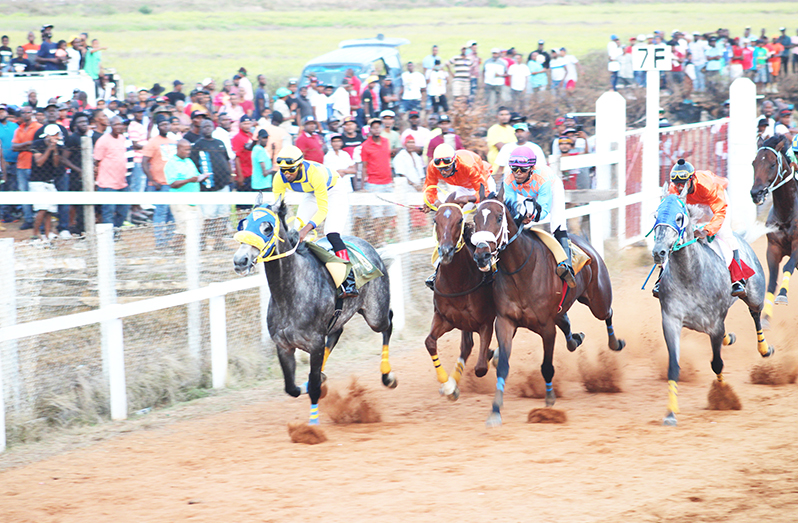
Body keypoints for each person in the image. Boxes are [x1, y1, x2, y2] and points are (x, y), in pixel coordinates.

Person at [653, 159, 752, 298]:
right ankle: (662, 277)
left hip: (713, 202)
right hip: (690, 202)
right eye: (677, 184)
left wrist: (706, 230)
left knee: (725, 234)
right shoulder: (673, 189)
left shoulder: (708, 185)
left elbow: (719, 213)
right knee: (674, 237)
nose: (680, 188)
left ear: (692, 178)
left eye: (683, 184)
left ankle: (737, 280)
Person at [273, 145, 356, 296]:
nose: (287, 174)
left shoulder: (314, 173)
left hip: (334, 190)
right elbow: (277, 207)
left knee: (331, 234)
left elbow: (323, 210)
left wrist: (306, 230)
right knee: (294, 233)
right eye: (283, 169)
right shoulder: (279, 178)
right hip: (312, 193)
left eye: (291, 169)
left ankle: (349, 281)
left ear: (299, 165)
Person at [503, 145, 575, 287]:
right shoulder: (508, 179)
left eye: (522, 169)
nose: (518, 173)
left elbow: (544, 209)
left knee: (557, 223)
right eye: (514, 168)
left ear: (531, 168)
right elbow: (510, 205)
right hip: (526, 192)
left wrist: (533, 216)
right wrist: (519, 217)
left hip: (551, 189)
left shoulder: (542, 178)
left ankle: (567, 264)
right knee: (514, 222)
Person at [422, 144, 495, 211]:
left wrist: (467, 198)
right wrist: (432, 202)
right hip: (462, 186)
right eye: (440, 169)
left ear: (455, 162)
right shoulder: (432, 167)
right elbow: (429, 190)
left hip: (483, 182)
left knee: (486, 212)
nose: (443, 172)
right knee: (455, 216)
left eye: (447, 168)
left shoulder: (468, 166)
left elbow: (483, 193)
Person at [142, 115, 178, 249]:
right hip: (160, 183)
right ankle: (159, 242)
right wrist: (152, 180)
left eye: (167, 124)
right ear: (158, 126)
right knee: (160, 213)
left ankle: (168, 240)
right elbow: (144, 163)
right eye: (162, 125)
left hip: (173, 183)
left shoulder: (173, 141)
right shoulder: (152, 142)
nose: (165, 127)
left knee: (172, 213)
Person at [165, 139, 208, 241]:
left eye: (189, 150)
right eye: (186, 150)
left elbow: (195, 175)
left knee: (198, 225)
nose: (188, 152)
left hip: (194, 200)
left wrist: (201, 177)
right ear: (178, 149)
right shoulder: (172, 163)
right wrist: (189, 180)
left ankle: (191, 252)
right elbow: (173, 184)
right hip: (180, 200)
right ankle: (176, 252)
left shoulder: (188, 160)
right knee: (183, 229)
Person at [93, 116, 130, 228]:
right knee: (108, 212)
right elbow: (96, 161)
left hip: (121, 182)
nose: (119, 127)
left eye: (120, 124)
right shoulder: (103, 140)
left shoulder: (122, 138)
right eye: (116, 124)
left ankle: (116, 233)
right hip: (107, 183)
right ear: (110, 126)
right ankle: (108, 239)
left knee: (123, 211)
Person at [0, 104, 19, 224]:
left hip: (16, 163)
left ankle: (13, 213)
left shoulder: (14, 126)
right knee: (3, 188)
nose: (1, 113)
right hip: (2, 164)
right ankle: (4, 215)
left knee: (14, 188)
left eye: (3, 111)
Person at [231, 115, 256, 191]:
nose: (247, 126)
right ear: (240, 125)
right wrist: (240, 176)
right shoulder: (237, 138)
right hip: (244, 174)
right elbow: (236, 158)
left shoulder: (251, 136)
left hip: (252, 172)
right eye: (245, 124)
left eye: (249, 123)